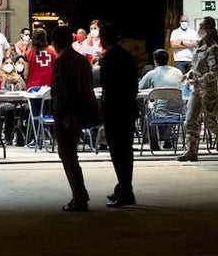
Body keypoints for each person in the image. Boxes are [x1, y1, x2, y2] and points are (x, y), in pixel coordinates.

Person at [50, 26, 99, 212]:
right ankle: (80, 194)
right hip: (83, 111)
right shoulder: (81, 60)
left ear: (55, 42)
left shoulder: (61, 62)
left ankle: (79, 196)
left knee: (68, 156)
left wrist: (59, 114)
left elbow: (60, 92)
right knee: (72, 156)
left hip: (67, 115)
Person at [178, 16, 218, 163]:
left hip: (208, 90)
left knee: (210, 121)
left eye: (203, 26)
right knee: (190, 120)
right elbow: (197, 67)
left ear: (210, 29)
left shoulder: (213, 48)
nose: (200, 28)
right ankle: (191, 151)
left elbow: (214, 72)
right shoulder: (199, 46)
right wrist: (189, 74)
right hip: (196, 89)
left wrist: (197, 79)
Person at [98, 22, 139, 207]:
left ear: (104, 39)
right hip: (129, 107)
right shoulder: (129, 57)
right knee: (126, 150)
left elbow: (107, 87)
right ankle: (123, 188)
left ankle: (125, 190)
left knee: (117, 152)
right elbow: (134, 84)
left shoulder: (107, 60)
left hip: (114, 109)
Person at [138, 49, 185, 150]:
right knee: (167, 103)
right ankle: (167, 140)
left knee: (150, 110)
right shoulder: (178, 72)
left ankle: (154, 144)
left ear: (155, 61)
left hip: (160, 111)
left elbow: (138, 88)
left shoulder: (152, 73)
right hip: (179, 111)